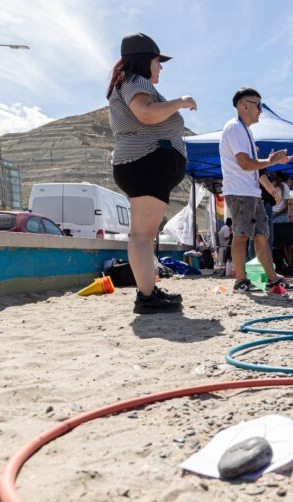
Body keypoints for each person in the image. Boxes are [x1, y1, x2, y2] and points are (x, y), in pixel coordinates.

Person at [108, 32, 196, 314]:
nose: (161, 67)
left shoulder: (130, 82)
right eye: (159, 61)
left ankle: (148, 291)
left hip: (143, 163)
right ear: (146, 60)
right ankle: (146, 297)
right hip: (145, 160)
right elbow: (146, 114)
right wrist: (180, 102)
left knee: (142, 235)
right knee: (142, 236)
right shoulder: (136, 80)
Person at [220, 86, 293, 293]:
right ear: (245, 105)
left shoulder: (245, 131)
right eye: (258, 105)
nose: (261, 110)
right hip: (240, 191)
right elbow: (245, 163)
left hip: (250, 192)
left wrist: (271, 162)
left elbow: (252, 165)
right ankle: (240, 280)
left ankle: (272, 278)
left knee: (262, 235)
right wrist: (270, 161)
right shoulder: (234, 128)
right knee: (241, 235)